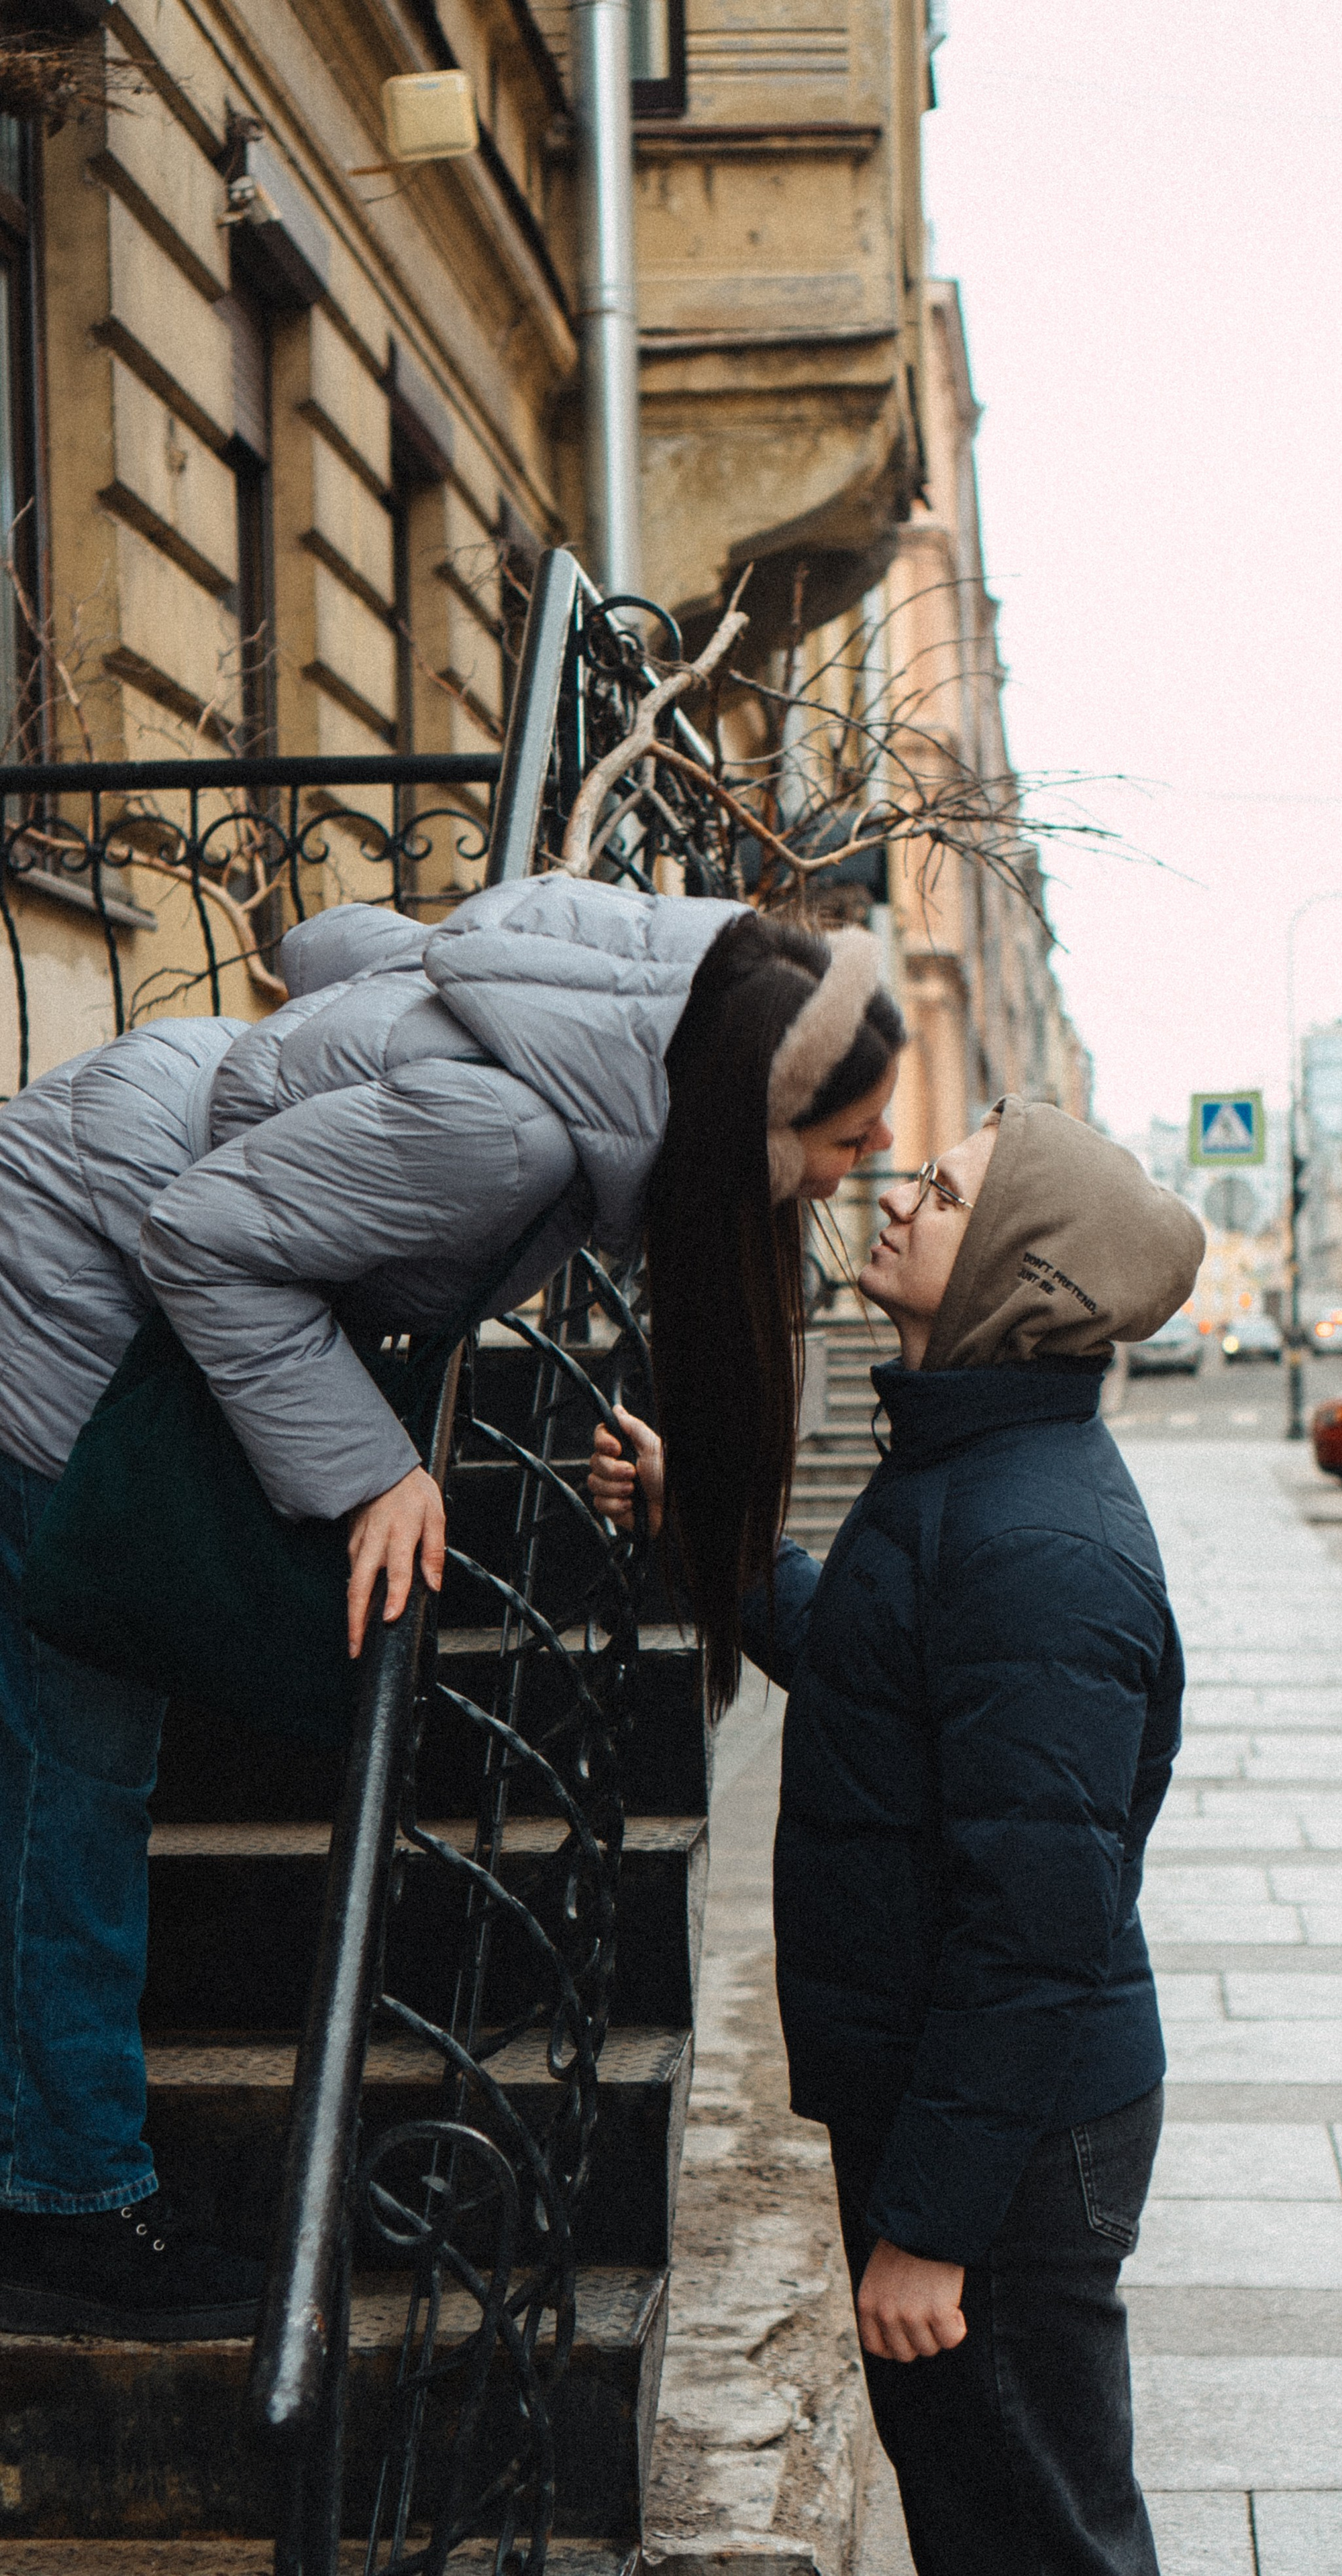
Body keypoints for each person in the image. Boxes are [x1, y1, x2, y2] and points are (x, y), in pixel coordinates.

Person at [0, 875, 903, 2341]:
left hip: (110, 1160)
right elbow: (206, 1237)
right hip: (60, 1274)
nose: (870, 1161)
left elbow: (339, 944)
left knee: (66, 1754)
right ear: (752, 1114)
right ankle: (68, 2204)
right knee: (74, 1769)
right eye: (847, 1139)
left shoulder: (619, 1002)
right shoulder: (516, 1131)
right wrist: (371, 1474)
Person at [592, 1096, 1203, 2576]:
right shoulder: (962, 1476)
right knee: (982, 2516)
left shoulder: (1033, 1544)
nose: (897, 1197)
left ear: (1014, 1271)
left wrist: (931, 2228)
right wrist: (709, 1516)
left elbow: (1035, 1921)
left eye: (941, 1192)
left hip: (1005, 2142)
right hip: (961, 2107)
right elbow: (872, 1660)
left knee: (1031, 2537)